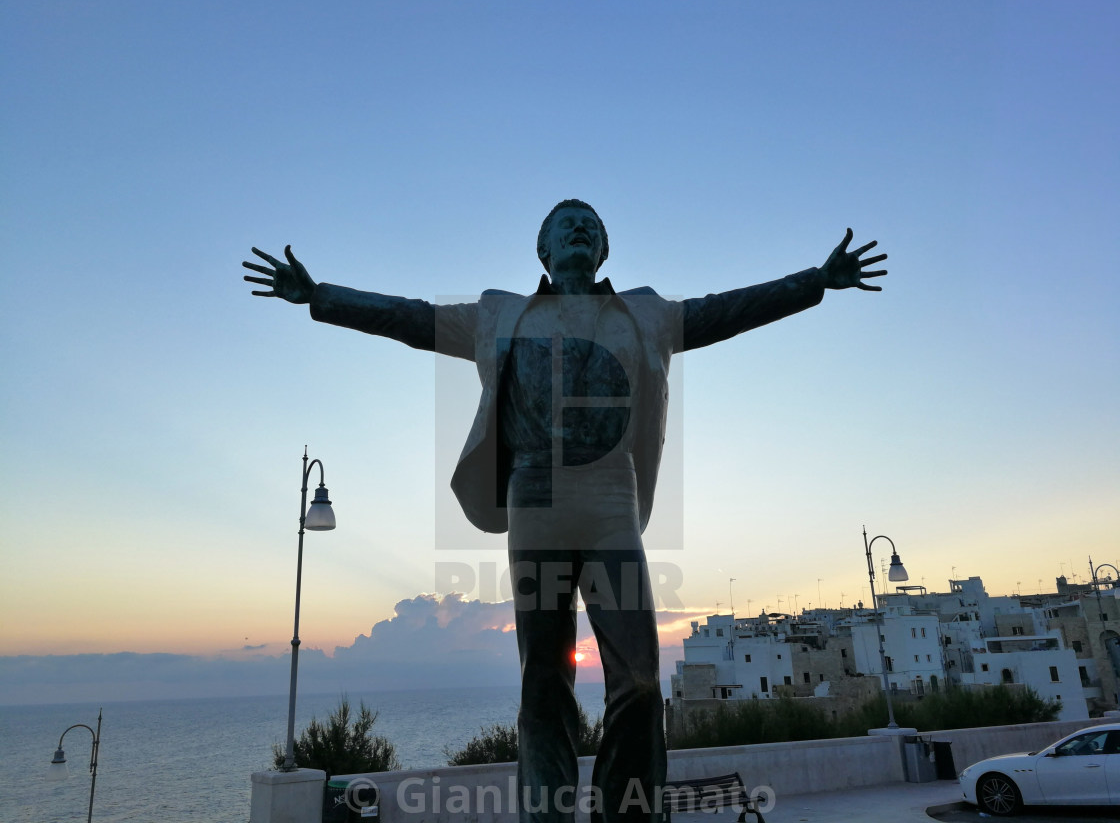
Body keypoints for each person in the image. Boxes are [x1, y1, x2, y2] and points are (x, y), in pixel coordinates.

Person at [242, 200, 887, 822]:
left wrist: (816, 282)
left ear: (603, 248)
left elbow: (731, 310)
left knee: (637, 676)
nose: (578, 229)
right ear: (544, 251)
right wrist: (320, 294)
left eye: (589, 225)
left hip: (613, 496)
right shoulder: (500, 314)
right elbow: (411, 319)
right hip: (536, 495)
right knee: (542, 682)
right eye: (564, 224)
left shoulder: (647, 314)